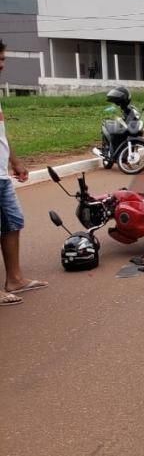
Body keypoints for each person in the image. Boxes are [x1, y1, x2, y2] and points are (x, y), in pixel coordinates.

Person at [0, 39, 48, 307]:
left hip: (1, 175)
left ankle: (14, 279)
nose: (3, 66)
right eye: (0, 61)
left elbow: (1, 136)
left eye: (3, 60)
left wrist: (15, 162)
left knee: (12, 223)